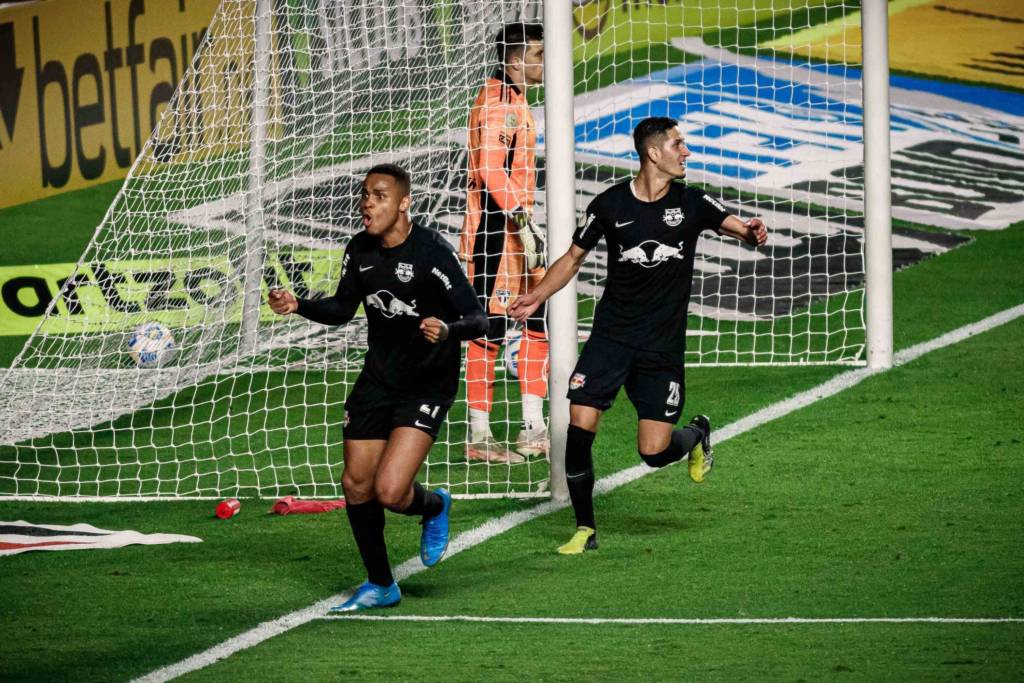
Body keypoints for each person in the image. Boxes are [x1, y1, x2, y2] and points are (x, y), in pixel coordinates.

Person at [509, 117, 769, 554]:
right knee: (579, 420)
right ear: (653, 153)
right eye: (678, 144)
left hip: (660, 348)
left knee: (653, 451)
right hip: (611, 337)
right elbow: (573, 259)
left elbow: (741, 229)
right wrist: (537, 295)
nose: (686, 152)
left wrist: (753, 232)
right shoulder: (610, 205)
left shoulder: (692, 202)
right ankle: (585, 528)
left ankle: (697, 433)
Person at [269, 164, 487, 610]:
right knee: (356, 483)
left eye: (379, 195)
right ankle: (382, 584)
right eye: (365, 194)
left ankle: (434, 506)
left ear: (404, 203)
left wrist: (448, 329)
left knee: (390, 491)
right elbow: (342, 308)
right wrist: (298, 305)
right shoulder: (359, 249)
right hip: (378, 379)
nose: (367, 202)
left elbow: (478, 319)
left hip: (427, 384)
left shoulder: (432, 253)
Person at [460, 21, 549, 464]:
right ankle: (479, 435)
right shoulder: (499, 104)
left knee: (539, 319)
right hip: (495, 233)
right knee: (489, 330)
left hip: (517, 231)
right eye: (537, 55)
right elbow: (491, 171)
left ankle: (533, 426)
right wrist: (522, 221)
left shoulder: (514, 98)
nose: (544, 63)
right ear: (515, 60)